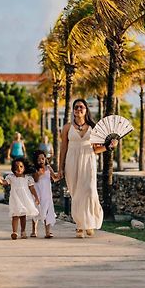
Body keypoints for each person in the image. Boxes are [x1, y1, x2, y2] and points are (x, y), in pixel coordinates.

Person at [59, 98, 117, 238]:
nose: (79, 109)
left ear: (86, 110)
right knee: (76, 194)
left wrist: (109, 146)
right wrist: (60, 167)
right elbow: (63, 148)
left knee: (90, 192)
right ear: (73, 110)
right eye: (76, 107)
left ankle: (89, 223)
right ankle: (80, 226)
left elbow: (96, 149)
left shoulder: (93, 127)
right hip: (72, 161)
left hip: (88, 160)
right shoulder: (67, 127)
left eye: (81, 107)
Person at [0, 157, 40, 240]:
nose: (19, 169)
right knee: (15, 215)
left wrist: (36, 197)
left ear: (24, 167)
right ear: (13, 169)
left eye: (21, 166)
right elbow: (4, 183)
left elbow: (32, 188)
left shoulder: (28, 178)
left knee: (23, 215)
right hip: (15, 198)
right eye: (16, 167)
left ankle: (23, 231)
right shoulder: (11, 177)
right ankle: (14, 232)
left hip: (24, 199)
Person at [32, 150, 59, 238]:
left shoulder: (48, 168)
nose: (41, 161)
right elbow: (35, 179)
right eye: (39, 159)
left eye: (43, 158)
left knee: (47, 211)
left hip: (47, 194)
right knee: (36, 211)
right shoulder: (35, 169)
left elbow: (54, 178)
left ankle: (48, 232)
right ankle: (34, 230)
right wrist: (39, 173)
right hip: (38, 192)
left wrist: (60, 175)